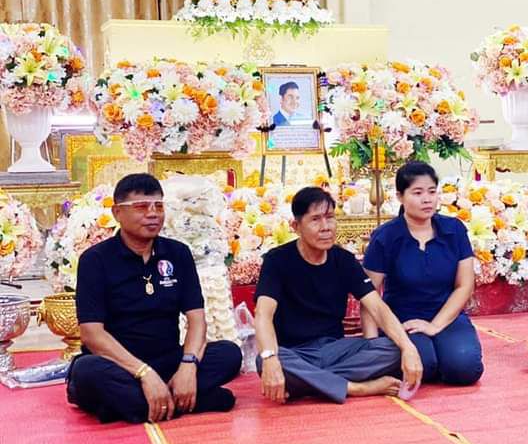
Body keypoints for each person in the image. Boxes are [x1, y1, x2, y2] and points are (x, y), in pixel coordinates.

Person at [66, 173, 243, 423]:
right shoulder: (95, 260)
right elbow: (92, 334)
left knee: (229, 353)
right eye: (141, 207)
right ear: (117, 212)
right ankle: (187, 401)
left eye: (159, 206)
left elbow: (197, 320)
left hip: (168, 360)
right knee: (87, 371)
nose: (153, 214)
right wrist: (144, 373)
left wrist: (188, 365)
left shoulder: (177, 253)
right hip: (120, 365)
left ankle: (135, 406)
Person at [253, 186, 423, 404]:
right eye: (315, 220)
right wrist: (270, 358)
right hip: (295, 352)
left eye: (330, 217)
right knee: (265, 360)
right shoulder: (277, 260)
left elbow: (377, 307)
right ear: (296, 226)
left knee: (395, 349)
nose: (325, 227)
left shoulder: (344, 260)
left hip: (336, 349)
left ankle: (308, 383)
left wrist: (408, 347)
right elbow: (263, 314)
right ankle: (355, 387)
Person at [362, 162, 483, 386]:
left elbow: (465, 286)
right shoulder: (386, 237)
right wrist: (371, 347)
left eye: (432, 192)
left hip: (446, 315)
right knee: (424, 364)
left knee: (464, 368)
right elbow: (369, 295)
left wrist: (434, 326)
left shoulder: (454, 230)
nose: (427, 199)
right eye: (417, 193)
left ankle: (443, 353)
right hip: (403, 320)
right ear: (400, 196)